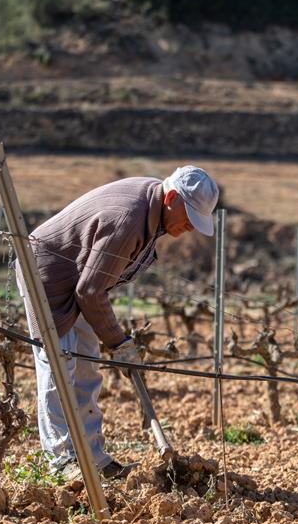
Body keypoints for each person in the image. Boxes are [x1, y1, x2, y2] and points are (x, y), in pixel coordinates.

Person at [16, 166, 219, 480]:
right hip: (46, 277)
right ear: (173, 197)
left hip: (78, 280)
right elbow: (90, 291)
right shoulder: (129, 217)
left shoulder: (153, 209)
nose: (189, 228)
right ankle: (62, 462)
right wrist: (119, 342)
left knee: (87, 369)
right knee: (59, 365)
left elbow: (94, 285)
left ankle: (94, 458)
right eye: (189, 217)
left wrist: (117, 342)